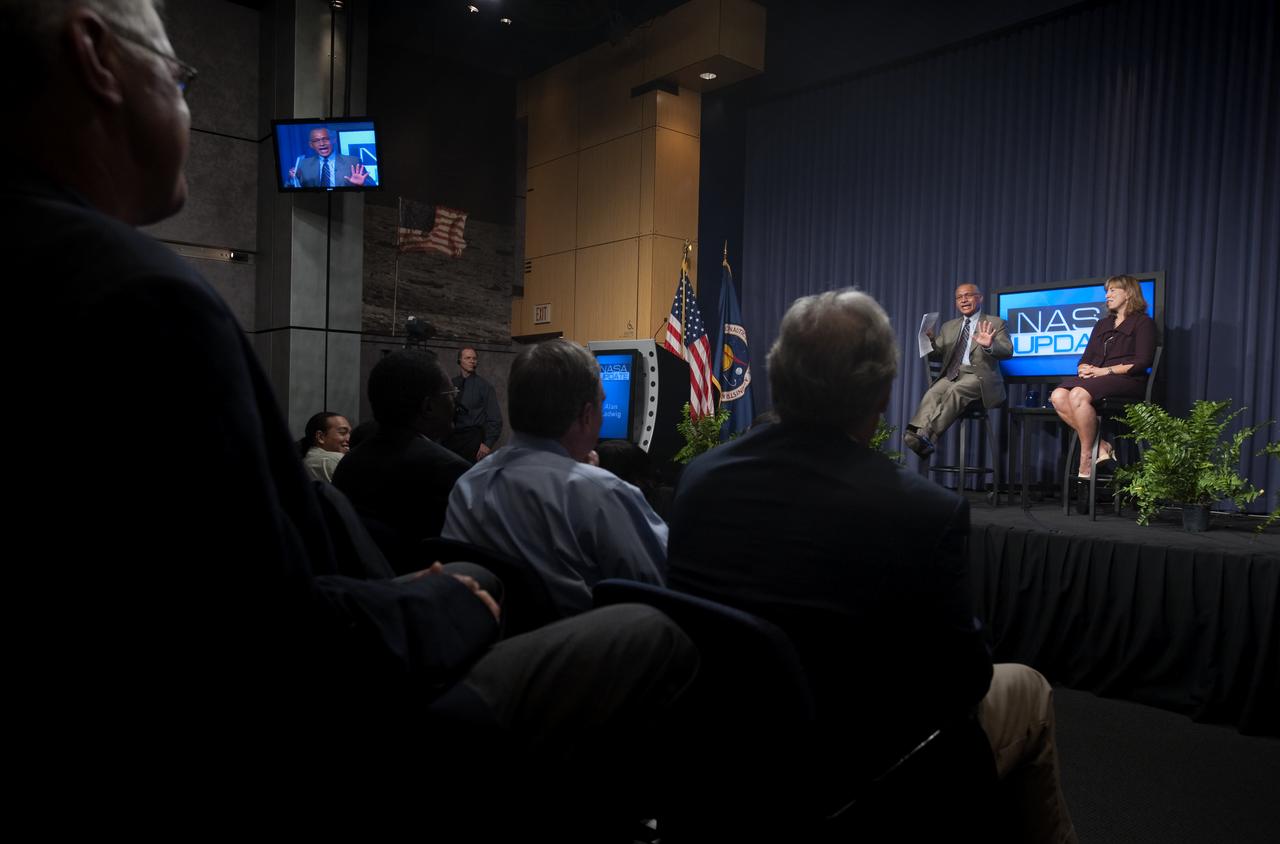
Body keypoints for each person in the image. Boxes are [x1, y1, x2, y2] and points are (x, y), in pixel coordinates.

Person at [4, 1, 697, 825]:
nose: (187, 104)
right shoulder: (137, 299)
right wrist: (426, 606)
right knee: (656, 635)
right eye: (181, 77)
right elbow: (264, 648)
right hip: (336, 742)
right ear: (94, 57)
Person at [667, 289, 1075, 842]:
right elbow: (964, 680)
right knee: (1026, 686)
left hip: (719, 758)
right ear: (883, 394)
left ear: (776, 376)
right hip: (859, 770)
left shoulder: (699, 480)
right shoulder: (924, 511)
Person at [443, 339, 667, 615]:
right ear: (587, 415)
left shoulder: (467, 487)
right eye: (602, 404)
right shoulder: (603, 493)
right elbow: (661, 585)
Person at [333, 351, 470, 567]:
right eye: (451, 393)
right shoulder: (448, 470)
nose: (455, 403)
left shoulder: (348, 465)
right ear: (428, 406)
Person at [1050, 274, 1157, 478]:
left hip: (1128, 380)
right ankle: (1101, 446)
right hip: (1099, 379)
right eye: (1107, 291)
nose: (1107, 295)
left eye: (1113, 290)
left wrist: (1104, 371)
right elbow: (1086, 357)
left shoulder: (1143, 323)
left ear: (1129, 293)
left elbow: (1142, 362)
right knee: (1058, 396)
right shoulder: (1102, 324)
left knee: (1078, 395)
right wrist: (1083, 368)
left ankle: (1086, 459)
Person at [904, 282, 1012, 458]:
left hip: (978, 376)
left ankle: (927, 435)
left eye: (968, 295)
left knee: (956, 390)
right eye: (959, 297)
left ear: (980, 298)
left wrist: (990, 344)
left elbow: (1007, 351)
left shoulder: (995, 322)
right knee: (933, 392)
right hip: (952, 374)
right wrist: (930, 341)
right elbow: (938, 353)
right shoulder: (949, 326)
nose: (964, 300)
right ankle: (914, 432)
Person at [445, 346, 503, 462]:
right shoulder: (451, 384)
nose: (472, 361)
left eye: (474, 358)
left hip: (473, 439)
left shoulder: (484, 386)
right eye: (468, 358)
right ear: (459, 361)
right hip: (451, 439)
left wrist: (487, 443)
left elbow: (495, 418)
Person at [289, 126, 371, 188]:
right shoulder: (303, 164)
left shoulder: (353, 162)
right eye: (316, 140)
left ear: (334, 140)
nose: (322, 143)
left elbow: (373, 185)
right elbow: (290, 188)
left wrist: (363, 184)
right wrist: (294, 180)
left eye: (326, 139)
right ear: (311, 145)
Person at [299, 411, 351, 481]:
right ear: (320, 437)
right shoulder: (333, 459)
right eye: (342, 432)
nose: (349, 439)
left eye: (349, 433)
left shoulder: (306, 460)